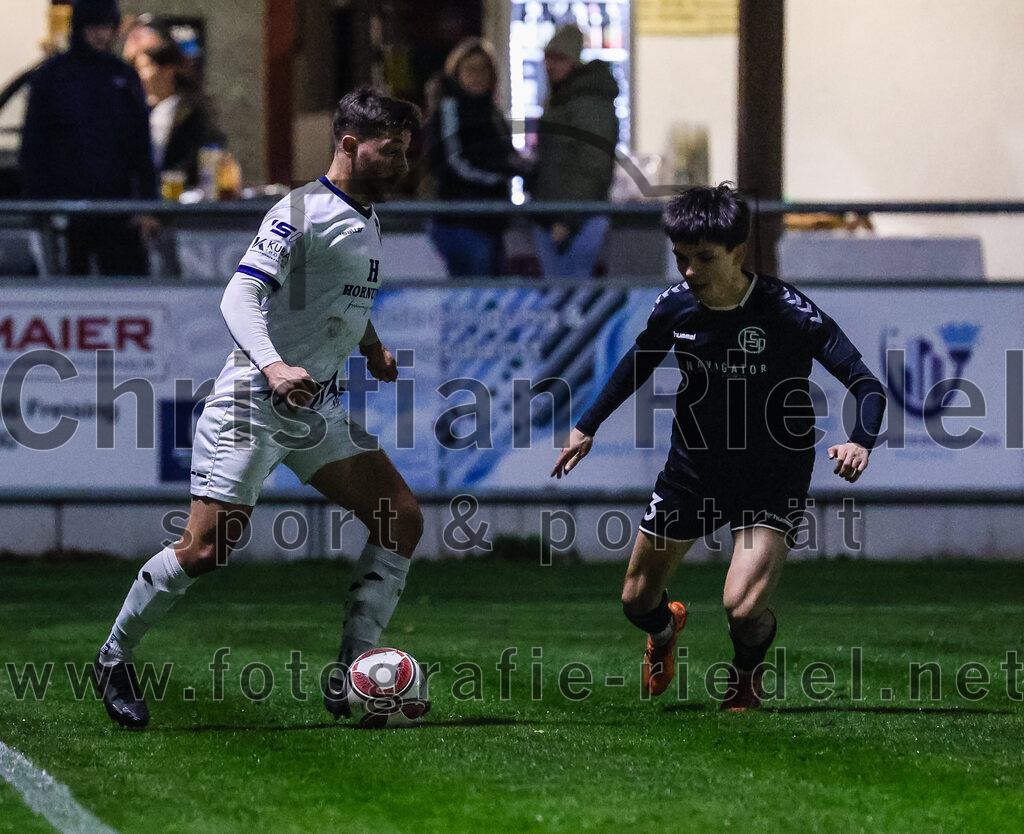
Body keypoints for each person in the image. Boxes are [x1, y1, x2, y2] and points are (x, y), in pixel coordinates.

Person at [91, 88, 424, 728]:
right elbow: (238, 299)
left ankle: (354, 675)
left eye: (406, 151)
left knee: (400, 519)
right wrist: (273, 367)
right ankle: (113, 656)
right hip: (253, 401)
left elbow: (344, 302)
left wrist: (373, 347)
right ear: (350, 144)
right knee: (206, 550)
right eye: (391, 150)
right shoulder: (298, 211)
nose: (401, 164)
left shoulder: (369, 217)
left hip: (315, 408)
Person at [551, 184, 886, 710]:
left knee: (743, 608)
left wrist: (860, 442)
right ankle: (665, 632)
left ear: (738, 252)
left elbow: (867, 386)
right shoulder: (676, 307)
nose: (689, 270)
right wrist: (587, 425)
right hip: (694, 469)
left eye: (704, 258)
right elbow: (640, 359)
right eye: (681, 258)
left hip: (771, 473)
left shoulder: (788, 311)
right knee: (636, 601)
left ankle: (745, 674)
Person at [19, 0, 156, 276]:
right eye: (94, 26)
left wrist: (148, 203)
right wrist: (38, 204)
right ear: (80, 27)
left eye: (107, 26)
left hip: (118, 208)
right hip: (66, 210)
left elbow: (141, 145)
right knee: (68, 289)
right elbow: (34, 145)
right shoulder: (52, 77)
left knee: (126, 287)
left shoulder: (123, 77)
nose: (101, 34)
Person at [426, 38, 525, 277]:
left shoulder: (492, 113)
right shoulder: (451, 109)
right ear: (456, 73)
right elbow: (454, 163)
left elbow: (504, 154)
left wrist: (519, 167)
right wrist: (502, 174)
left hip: (490, 222)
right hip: (462, 222)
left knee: (487, 300)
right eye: (470, 70)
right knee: (473, 299)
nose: (477, 76)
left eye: (484, 70)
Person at [529, 23, 618, 278]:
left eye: (559, 59)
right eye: (548, 58)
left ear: (574, 61)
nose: (550, 66)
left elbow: (593, 166)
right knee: (568, 299)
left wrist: (567, 220)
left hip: (573, 220)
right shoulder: (568, 98)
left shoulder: (586, 102)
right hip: (560, 217)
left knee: (568, 296)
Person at [136, 40, 226, 188]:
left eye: (144, 67)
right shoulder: (144, 110)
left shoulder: (194, 109)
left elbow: (207, 149)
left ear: (167, 71)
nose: (139, 76)